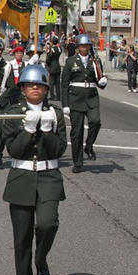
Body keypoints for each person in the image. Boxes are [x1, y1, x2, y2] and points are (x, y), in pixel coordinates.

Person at [2, 64, 67, 275]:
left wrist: (47, 131)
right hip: (22, 176)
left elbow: (59, 150)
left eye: (40, 85)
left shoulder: (55, 113)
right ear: (23, 88)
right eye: (30, 85)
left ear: (47, 89)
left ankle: (41, 259)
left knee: (48, 224)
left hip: (49, 176)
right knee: (22, 239)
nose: (35, 88)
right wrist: (28, 131)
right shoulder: (13, 113)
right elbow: (14, 150)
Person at [61, 33, 107, 173]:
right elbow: (64, 84)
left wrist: (102, 82)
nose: (84, 48)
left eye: (86, 46)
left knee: (95, 121)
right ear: (77, 47)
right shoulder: (71, 61)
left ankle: (89, 145)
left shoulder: (95, 61)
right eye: (82, 46)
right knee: (77, 132)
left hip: (92, 97)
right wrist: (65, 104)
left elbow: (100, 79)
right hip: (75, 98)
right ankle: (78, 162)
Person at [44, 36, 62, 101]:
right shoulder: (59, 48)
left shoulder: (51, 49)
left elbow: (48, 58)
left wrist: (48, 64)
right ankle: (58, 96)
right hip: (58, 65)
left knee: (51, 82)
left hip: (52, 66)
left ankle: (52, 96)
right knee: (57, 83)